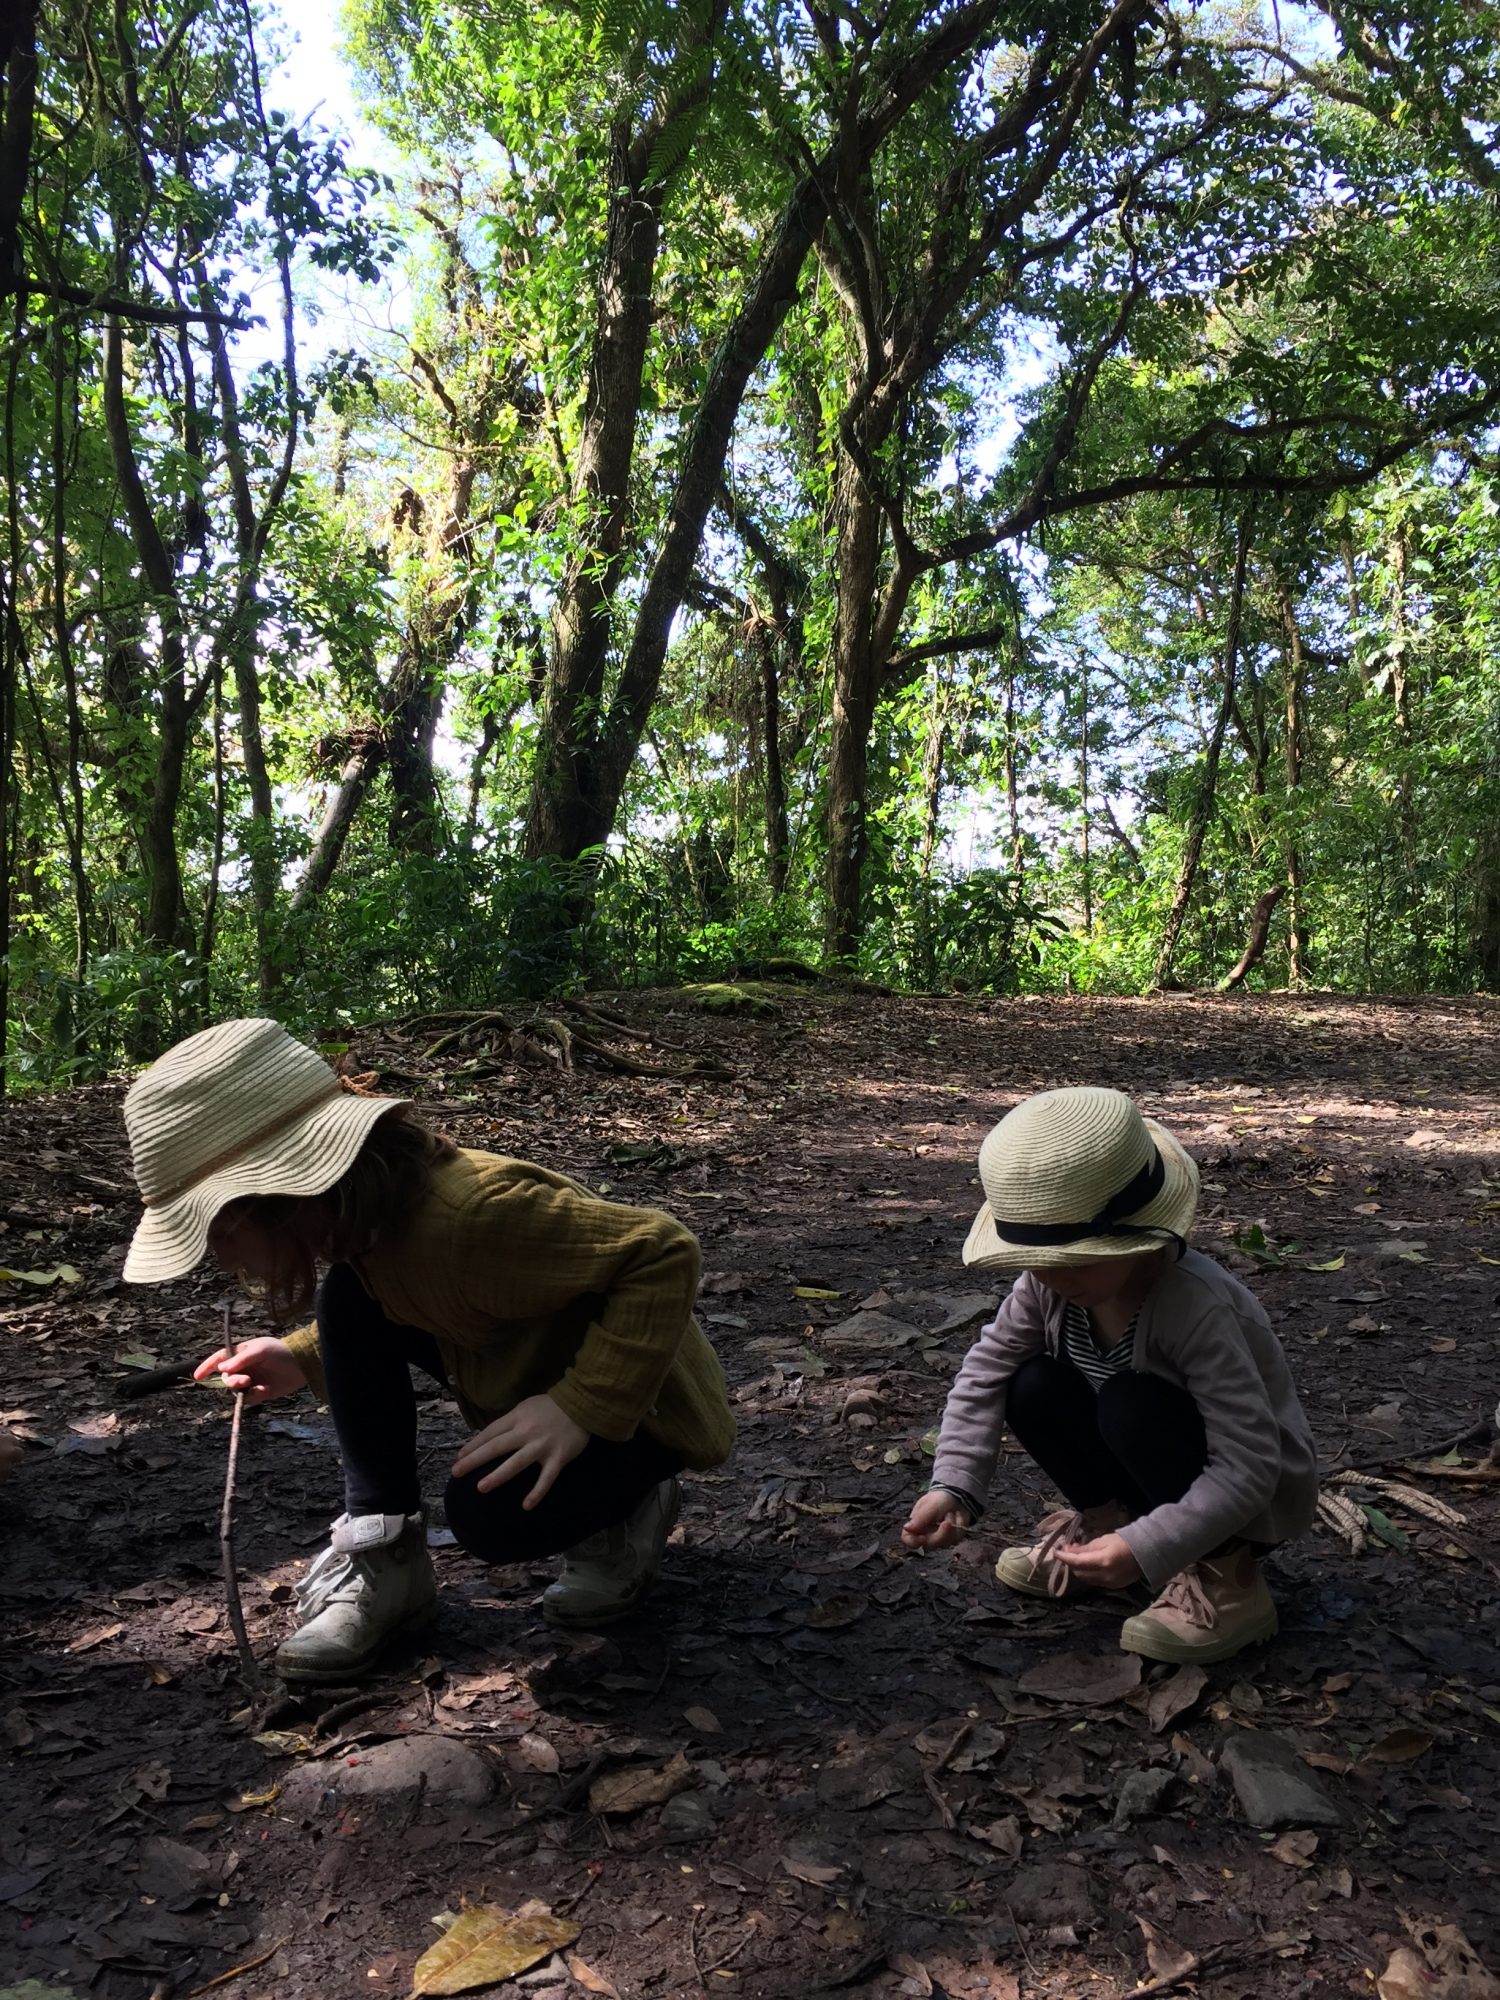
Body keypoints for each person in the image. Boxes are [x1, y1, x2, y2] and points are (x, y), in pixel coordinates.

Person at [121, 1017, 735, 1682]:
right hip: (537, 1377)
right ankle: (388, 1561)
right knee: (346, 1298)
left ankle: (630, 1510)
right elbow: (390, 1304)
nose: (219, 1257)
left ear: (271, 1195)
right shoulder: (373, 1226)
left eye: (216, 1231)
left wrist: (579, 1408)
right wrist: (301, 1356)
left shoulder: (472, 1215)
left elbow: (665, 1252)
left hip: (642, 1407)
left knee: (493, 1515)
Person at [901, 1086, 1318, 1665]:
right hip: (1143, 1469)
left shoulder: (1194, 1308)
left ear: (1139, 1235)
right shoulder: (1044, 1290)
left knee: (1131, 1401)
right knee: (1030, 1383)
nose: (1048, 1276)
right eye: (1034, 1261)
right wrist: (954, 1484)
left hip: (1247, 1497)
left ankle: (1228, 1576)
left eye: (1074, 1258)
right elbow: (984, 1371)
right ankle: (1110, 1525)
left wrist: (1150, 1546)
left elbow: (1250, 1463)